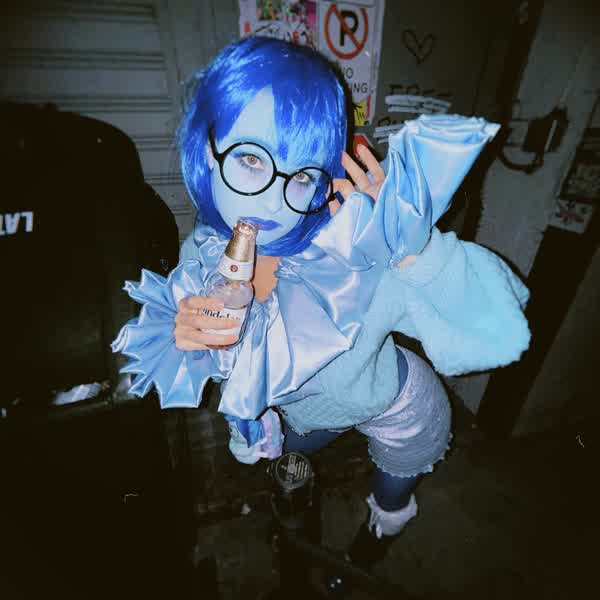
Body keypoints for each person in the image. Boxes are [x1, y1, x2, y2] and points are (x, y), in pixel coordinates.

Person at [113, 36, 530, 570]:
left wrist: (411, 246)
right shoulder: (206, 252)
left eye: (303, 174)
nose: (271, 200)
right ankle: (298, 545)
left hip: (398, 407)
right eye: (250, 158)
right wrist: (185, 338)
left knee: (389, 505)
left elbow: (500, 330)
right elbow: (216, 364)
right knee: (287, 483)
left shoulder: (357, 249)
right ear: (206, 147)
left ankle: (367, 554)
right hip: (310, 418)